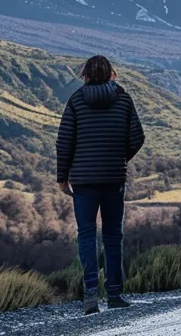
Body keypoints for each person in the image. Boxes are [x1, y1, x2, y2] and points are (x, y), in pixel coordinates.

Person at [56, 55, 145, 315]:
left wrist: (63, 178)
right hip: (113, 177)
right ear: (111, 73)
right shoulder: (124, 99)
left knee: (86, 234)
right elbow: (137, 137)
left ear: (85, 74)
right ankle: (115, 294)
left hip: (83, 180)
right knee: (112, 236)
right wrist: (119, 157)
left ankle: (90, 296)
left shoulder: (76, 101)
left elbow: (64, 142)